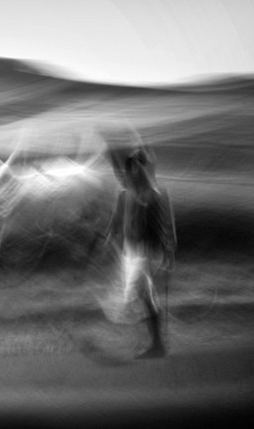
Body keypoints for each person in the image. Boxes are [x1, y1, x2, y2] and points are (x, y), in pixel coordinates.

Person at [104, 146, 176, 358]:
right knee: (144, 296)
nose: (133, 172)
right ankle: (156, 344)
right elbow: (117, 220)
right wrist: (109, 237)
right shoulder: (125, 193)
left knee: (136, 296)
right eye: (131, 169)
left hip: (147, 252)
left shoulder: (154, 195)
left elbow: (167, 227)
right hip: (131, 252)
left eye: (138, 167)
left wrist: (169, 253)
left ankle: (154, 344)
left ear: (145, 169)